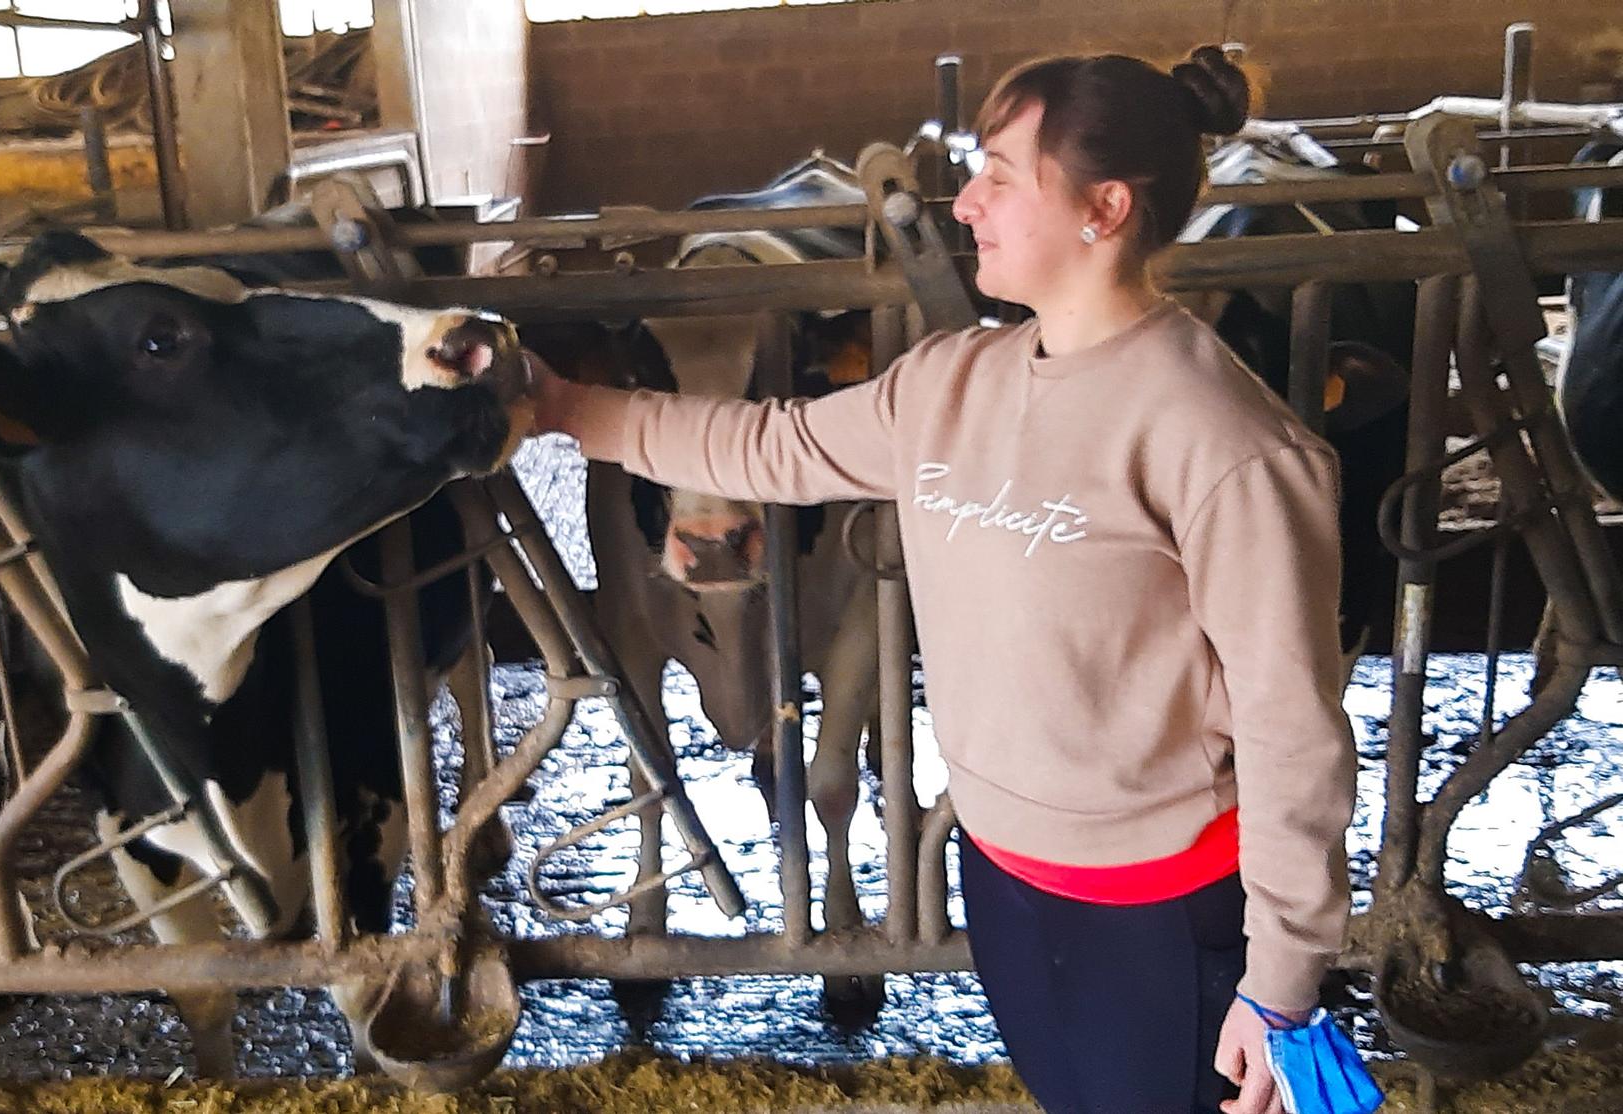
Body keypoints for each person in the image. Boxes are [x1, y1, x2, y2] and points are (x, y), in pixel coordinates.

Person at [525, 45, 1358, 1114]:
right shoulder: (953, 381)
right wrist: (567, 412)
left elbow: (1293, 724)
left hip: (1160, 904)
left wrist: (1279, 979)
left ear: (1102, 207)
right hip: (1002, 877)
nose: (963, 203)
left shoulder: (1227, 443)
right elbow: (767, 445)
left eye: (1000, 173)